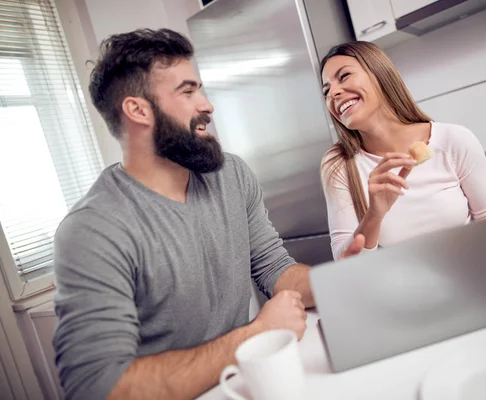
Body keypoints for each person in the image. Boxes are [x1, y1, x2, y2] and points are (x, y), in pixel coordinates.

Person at [52, 29, 363, 400]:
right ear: (138, 110)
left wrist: (347, 283)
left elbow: (273, 269)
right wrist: (254, 335)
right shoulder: (93, 230)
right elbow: (97, 388)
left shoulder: (229, 175)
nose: (207, 105)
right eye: (187, 91)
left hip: (243, 385)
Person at [319, 41, 486, 270]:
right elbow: (345, 265)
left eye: (344, 76)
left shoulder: (453, 140)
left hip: (474, 275)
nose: (334, 93)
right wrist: (374, 215)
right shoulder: (338, 164)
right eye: (326, 90)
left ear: (379, 73)